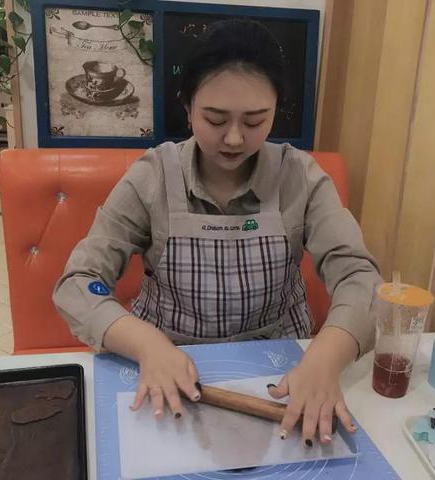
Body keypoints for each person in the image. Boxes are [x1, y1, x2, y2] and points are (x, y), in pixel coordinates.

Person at [53, 19, 381, 446]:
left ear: (276, 110)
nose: (234, 138)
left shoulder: (299, 176)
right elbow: (79, 283)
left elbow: (359, 276)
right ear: (187, 106)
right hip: (169, 366)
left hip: (282, 371)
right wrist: (146, 344)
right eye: (215, 119)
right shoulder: (152, 176)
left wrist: (326, 357)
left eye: (255, 121)